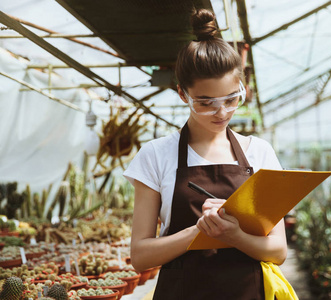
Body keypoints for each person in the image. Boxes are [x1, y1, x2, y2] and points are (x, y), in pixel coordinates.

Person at [123, 8, 287, 299]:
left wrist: (234, 235)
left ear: (241, 88)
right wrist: (198, 232)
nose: (221, 112)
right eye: (206, 102)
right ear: (182, 94)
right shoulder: (156, 155)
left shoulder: (259, 153)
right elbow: (141, 255)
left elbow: (277, 250)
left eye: (231, 99)